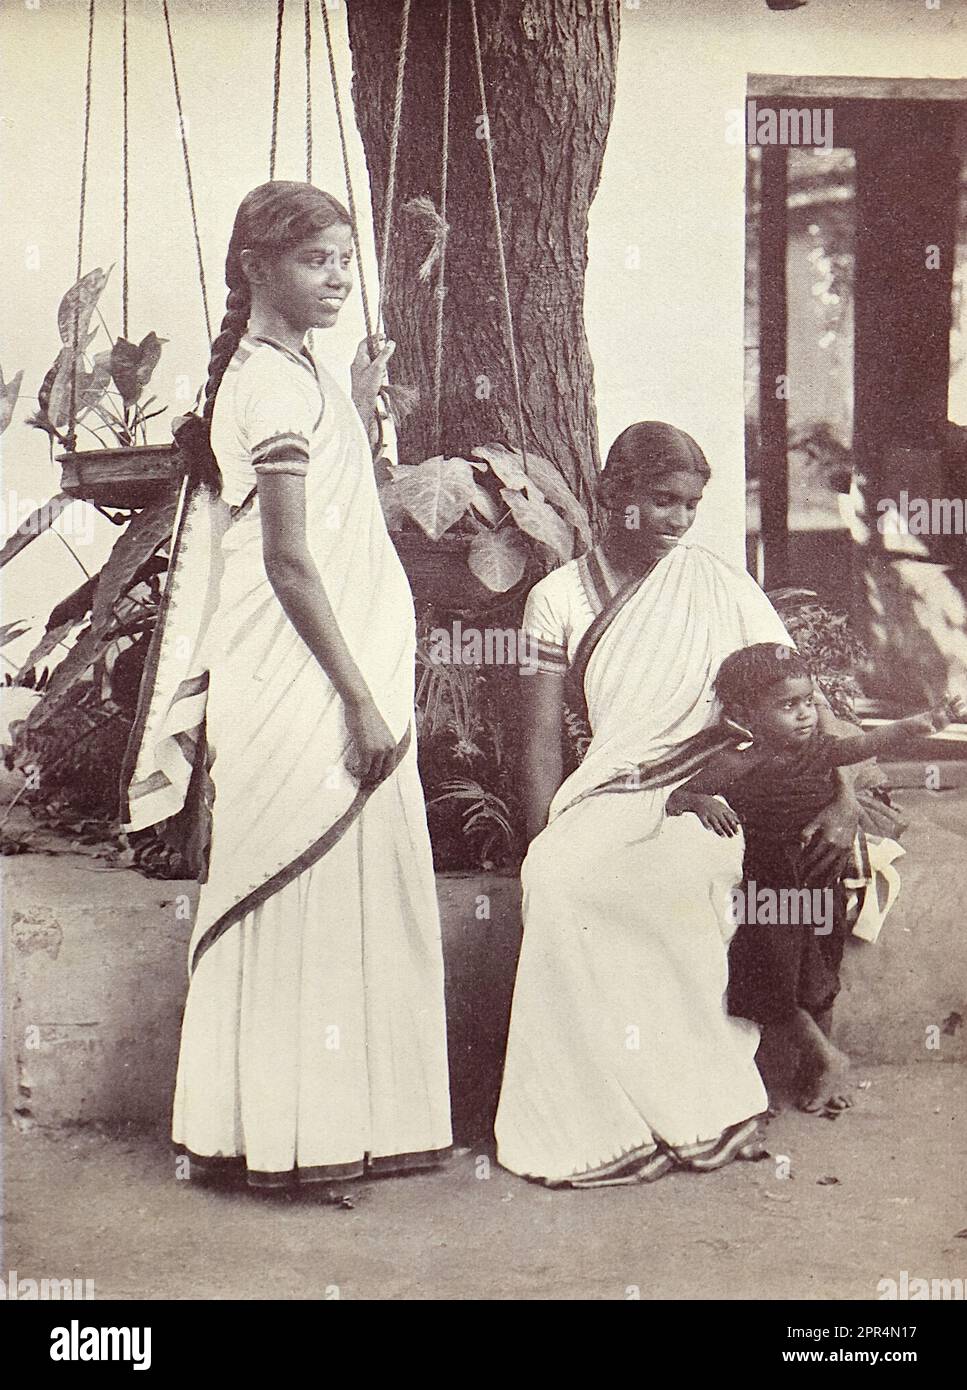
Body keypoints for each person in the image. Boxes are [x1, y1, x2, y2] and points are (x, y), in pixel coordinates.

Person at [122, 182, 451, 1191]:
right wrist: (357, 694)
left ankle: (340, 1123)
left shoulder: (298, 373)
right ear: (255, 268)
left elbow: (339, 506)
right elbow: (291, 563)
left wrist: (351, 385)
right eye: (317, 260)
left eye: (347, 259)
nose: (340, 276)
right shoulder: (263, 388)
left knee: (348, 894)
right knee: (293, 891)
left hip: (337, 671)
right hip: (302, 682)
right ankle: (271, 1133)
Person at [493, 421, 862, 1188]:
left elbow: (807, 706)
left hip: (712, 795)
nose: (678, 519)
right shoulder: (555, 599)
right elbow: (536, 743)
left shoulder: (719, 583)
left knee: (677, 878)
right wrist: (538, 841)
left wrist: (845, 799)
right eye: (662, 500)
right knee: (561, 884)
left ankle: (699, 1102)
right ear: (611, 494)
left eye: (691, 504)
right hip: (611, 794)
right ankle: (588, 1119)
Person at [666, 641, 963, 1113]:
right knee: (770, 976)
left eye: (808, 702)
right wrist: (704, 802)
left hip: (820, 876)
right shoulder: (738, 761)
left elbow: (865, 744)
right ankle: (827, 1058)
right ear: (745, 712)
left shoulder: (821, 750)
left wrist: (919, 724)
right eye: (788, 706)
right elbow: (680, 795)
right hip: (770, 885)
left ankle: (818, 1070)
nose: (805, 714)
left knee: (821, 972)